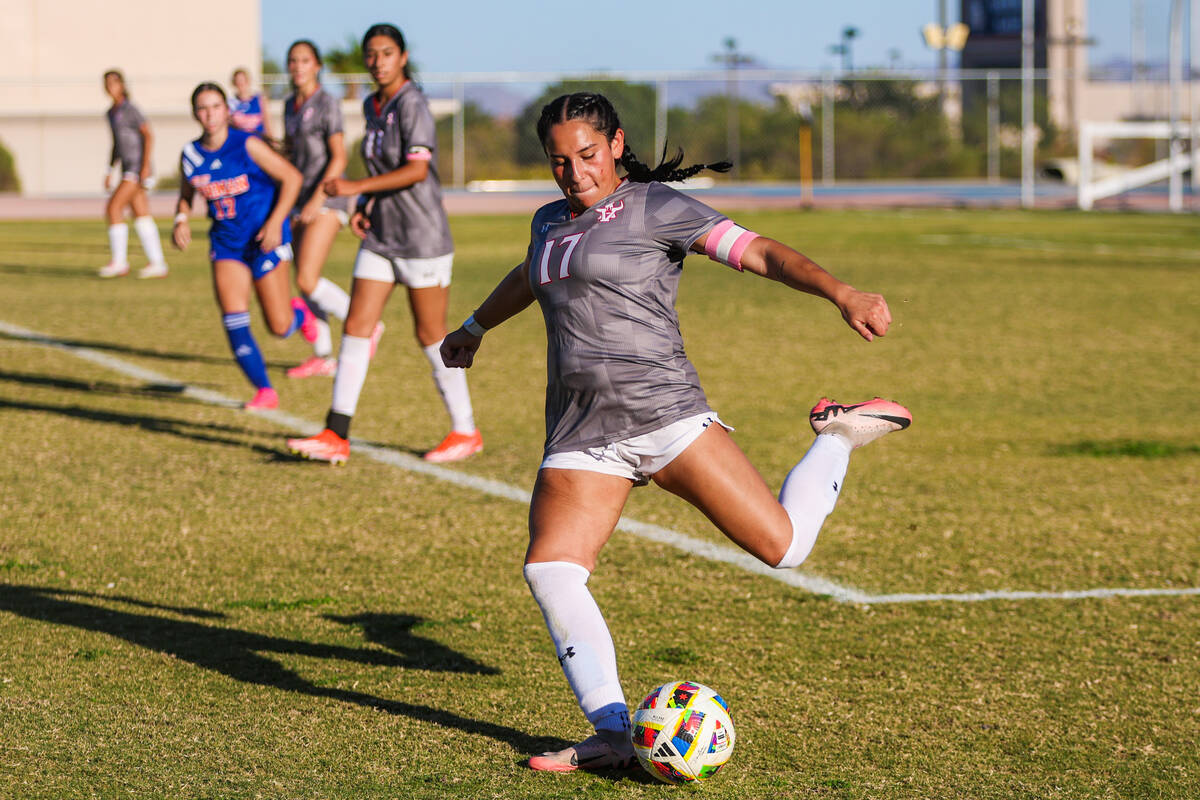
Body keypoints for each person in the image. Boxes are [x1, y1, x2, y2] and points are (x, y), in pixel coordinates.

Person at [439, 92, 913, 772]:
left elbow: (760, 253)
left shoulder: (657, 207)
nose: (575, 173)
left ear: (617, 143)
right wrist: (474, 329)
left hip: (666, 417)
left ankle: (836, 436)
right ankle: (610, 731)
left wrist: (842, 293)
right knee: (551, 570)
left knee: (785, 549)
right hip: (581, 433)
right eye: (559, 161)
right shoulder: (548, 222)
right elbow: (531, 274)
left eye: (588, 155)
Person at [286, 23, 480, 465]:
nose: (377, 62)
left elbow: (415, 170)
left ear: (403, 56)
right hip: (381, 236)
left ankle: (466, 430)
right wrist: (366, 203)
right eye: (371, 54)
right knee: (356, 324)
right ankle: (336, 433)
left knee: (431, 334)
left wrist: (356, 186)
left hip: (421, 237)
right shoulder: (374, 104)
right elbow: (384, 169)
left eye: (386, 53)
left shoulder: (412, 102)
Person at [172, 82, 319, 410]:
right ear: (195, 113)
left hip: (265, 239)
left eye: (215, 107)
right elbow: (186, 195)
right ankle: (264, 390)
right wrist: (180, 220)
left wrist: (274, 222)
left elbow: (292, 178)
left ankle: (299, 313)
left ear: (227, 111)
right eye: (203, 108)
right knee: (233, 317)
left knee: (279, 327)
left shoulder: (247, 145)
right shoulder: (191, 154)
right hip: (227, 245)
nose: (209, 115)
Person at [280, 40, 358, 379]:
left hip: (327, 199)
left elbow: (338, 156)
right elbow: (293, 155)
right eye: (292, 61)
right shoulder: (289, 106)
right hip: (299, 199)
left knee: (307, 278)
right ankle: (323, 355)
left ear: (317, 65)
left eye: (304, 60)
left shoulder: (327, 103)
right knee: (304, 283)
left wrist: (317, 199)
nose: (298, 66)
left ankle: (365, 324)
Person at [98, 70, 169, 279]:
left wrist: (145, 166)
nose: (110, 87)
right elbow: (116, 145)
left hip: (137, 168)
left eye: (114, 83)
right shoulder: (111, 113)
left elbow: (148, 135)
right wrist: (109, 170)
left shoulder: (131, 109)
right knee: (141, 214)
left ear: (122, 85)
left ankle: (119, 262)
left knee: (113, 208)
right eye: (107, 84)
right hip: (126, 167)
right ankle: (158, 263)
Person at [229, 68, 275, 141]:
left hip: (259, 143)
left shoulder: (260, 99)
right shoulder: (231, 103)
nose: (241, 84)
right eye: (238, 81)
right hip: (239, 144)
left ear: (248, 81)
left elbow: (267, 124)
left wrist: (272, 141)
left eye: (243, 81)